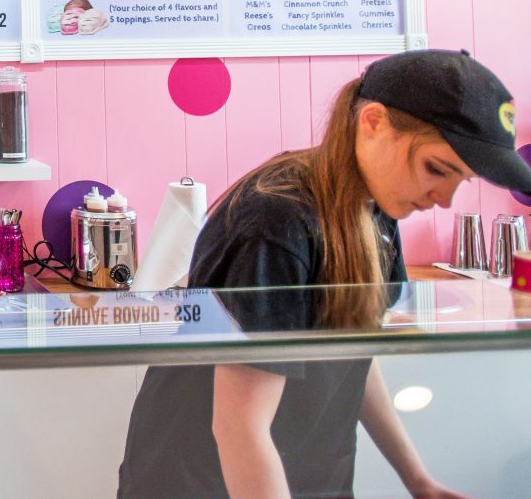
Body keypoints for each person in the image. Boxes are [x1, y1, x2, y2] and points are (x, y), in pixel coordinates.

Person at [118, 49, 531, 499]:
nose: (445, 199)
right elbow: (239, 428)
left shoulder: (374, 207)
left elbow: (352, 352)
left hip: (304, 473)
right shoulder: (277, 223)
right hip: (207, 481)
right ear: (373, 122)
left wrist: (417, 480)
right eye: (435, 169)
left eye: (461, 179)